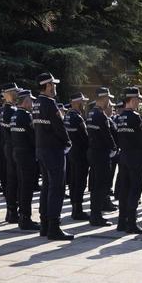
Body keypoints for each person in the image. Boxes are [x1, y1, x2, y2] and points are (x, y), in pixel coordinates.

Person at [32, 72, 73, 240]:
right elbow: (59, 128)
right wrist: (67, 142)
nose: (55, 87)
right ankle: (54, 227)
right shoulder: (50, 104)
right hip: (54, 151)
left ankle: (45, 225)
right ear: (47, 85)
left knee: (47, 187)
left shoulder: (36, 103)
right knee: (56, 188)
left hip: (41, 149)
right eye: (53, 84)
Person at [114, 87, 142, 234]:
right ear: (133, 100)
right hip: (135, 157)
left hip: (123, 156)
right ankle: (132, 223)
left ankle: (122, 222)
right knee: (135, 189)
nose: (139, 103)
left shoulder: (120, 116)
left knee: (124, 189)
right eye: (138, 100)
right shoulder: (135, 116)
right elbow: (141, 138)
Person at [86, 87, 118, 226]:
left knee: (95, 185)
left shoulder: (91, 113)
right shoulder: (101, 115)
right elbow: (107, 135)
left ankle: (95, 213)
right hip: (101, 154)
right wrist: (114, 148)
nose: (109, 101)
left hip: (93, 152)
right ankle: (96, 216)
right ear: (104, 98)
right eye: (108, 99)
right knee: (101, 185)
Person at [10, 89, 40, 231]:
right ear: (26, 101)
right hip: (27, 155)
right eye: (31, 101)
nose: (33, 103)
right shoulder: (26, 116)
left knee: (22, 186)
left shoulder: (15, 115)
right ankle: (25, 219)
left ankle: (22, 217)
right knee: (27, 188)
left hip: (18, 153)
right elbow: (33, 137)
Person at [65, 92, 91, 220]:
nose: (84, 104)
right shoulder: (78, 118)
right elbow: (85, 138)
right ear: (76, 102)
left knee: (73, 181)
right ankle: (78, 210)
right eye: (83, 102)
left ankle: (75, 208)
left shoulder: (67, 116)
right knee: (80, 182)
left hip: (71, 153)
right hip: (80, 154)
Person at [0, 83, 20, 222]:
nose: (17, 94)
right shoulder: (10, 110)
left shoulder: (7, 109)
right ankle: (12, 211)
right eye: (15, 92)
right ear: (8, 93)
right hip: (12, 147)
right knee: (14, 180)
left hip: (9, 147)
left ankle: (11, 211)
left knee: (13, 180)